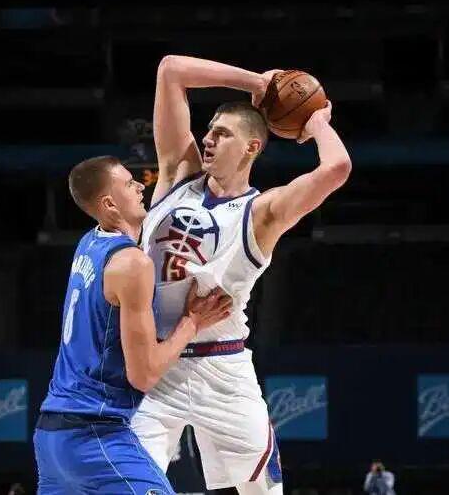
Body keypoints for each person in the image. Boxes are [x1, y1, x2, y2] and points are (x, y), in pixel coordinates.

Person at [131, 55, 352, 495]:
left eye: (222, 133)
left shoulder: (263, 212)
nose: (208, 139)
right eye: (209, 130)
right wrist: (256, 83)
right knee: (126, 486)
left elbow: (336, 169)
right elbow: (171, 70)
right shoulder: (177, 174)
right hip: (154, 367)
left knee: (262, 492)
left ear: (252, 147)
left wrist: (317, 122)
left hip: (223, 368)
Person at [33, 156, 232, 494]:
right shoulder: (132, 264)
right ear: (110, 204)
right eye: (129, 183)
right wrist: (192, 322)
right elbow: (144, 374)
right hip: (94, 433)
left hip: (51, 436)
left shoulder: (89, 243)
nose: (140, 186)